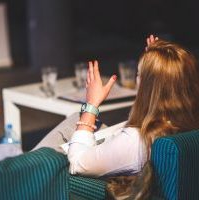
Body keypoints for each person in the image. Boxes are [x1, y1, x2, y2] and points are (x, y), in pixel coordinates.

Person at [35, 35, 199, 199]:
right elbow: (151, 105)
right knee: (73, 121)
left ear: (149, 87)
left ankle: (19, 178)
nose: (137, 79)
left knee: (35, 164)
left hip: (89, 174)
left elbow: (77, 164)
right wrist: (158, 61)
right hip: (120, 148)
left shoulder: (136, 140)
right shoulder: (186, 120)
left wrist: (91, 105)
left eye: (139, 74)